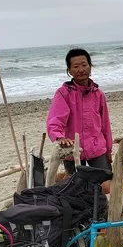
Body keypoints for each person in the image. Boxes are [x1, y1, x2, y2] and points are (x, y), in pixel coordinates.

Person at [46, 48, 113, 176]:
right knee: (75, 188)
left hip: (96, 147)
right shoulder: (63, 93)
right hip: (72, 149)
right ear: (69, 71)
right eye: (76, 66)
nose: (81, 70)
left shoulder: (98, 94)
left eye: (84, 65)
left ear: (90, 66)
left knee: (104, 184)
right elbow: (55, 119)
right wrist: (60, 137)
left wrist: (108, 150)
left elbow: (105, 125)